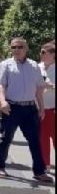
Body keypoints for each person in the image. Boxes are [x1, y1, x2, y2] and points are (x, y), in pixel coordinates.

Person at [0, 37, 52, 182]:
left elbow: (38, 88)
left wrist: (42, 108)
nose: (16, 50)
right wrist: (2, 102)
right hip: (12, 107)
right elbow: (0, 85)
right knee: (6, 138)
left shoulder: (34, 66)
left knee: (34, 140)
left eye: (19, 47)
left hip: (30, 108)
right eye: (13, 47)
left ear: (26, 49)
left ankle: (39, 171)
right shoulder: (5, 65)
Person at [39, 42, 55, 173]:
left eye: (44, 52)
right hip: (40, 108)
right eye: (41, 52)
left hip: (53, 108)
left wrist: (51, 86)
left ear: (53, 55)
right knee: (42, 137)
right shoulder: (37, 67)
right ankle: (46, 164)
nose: (41, 54)